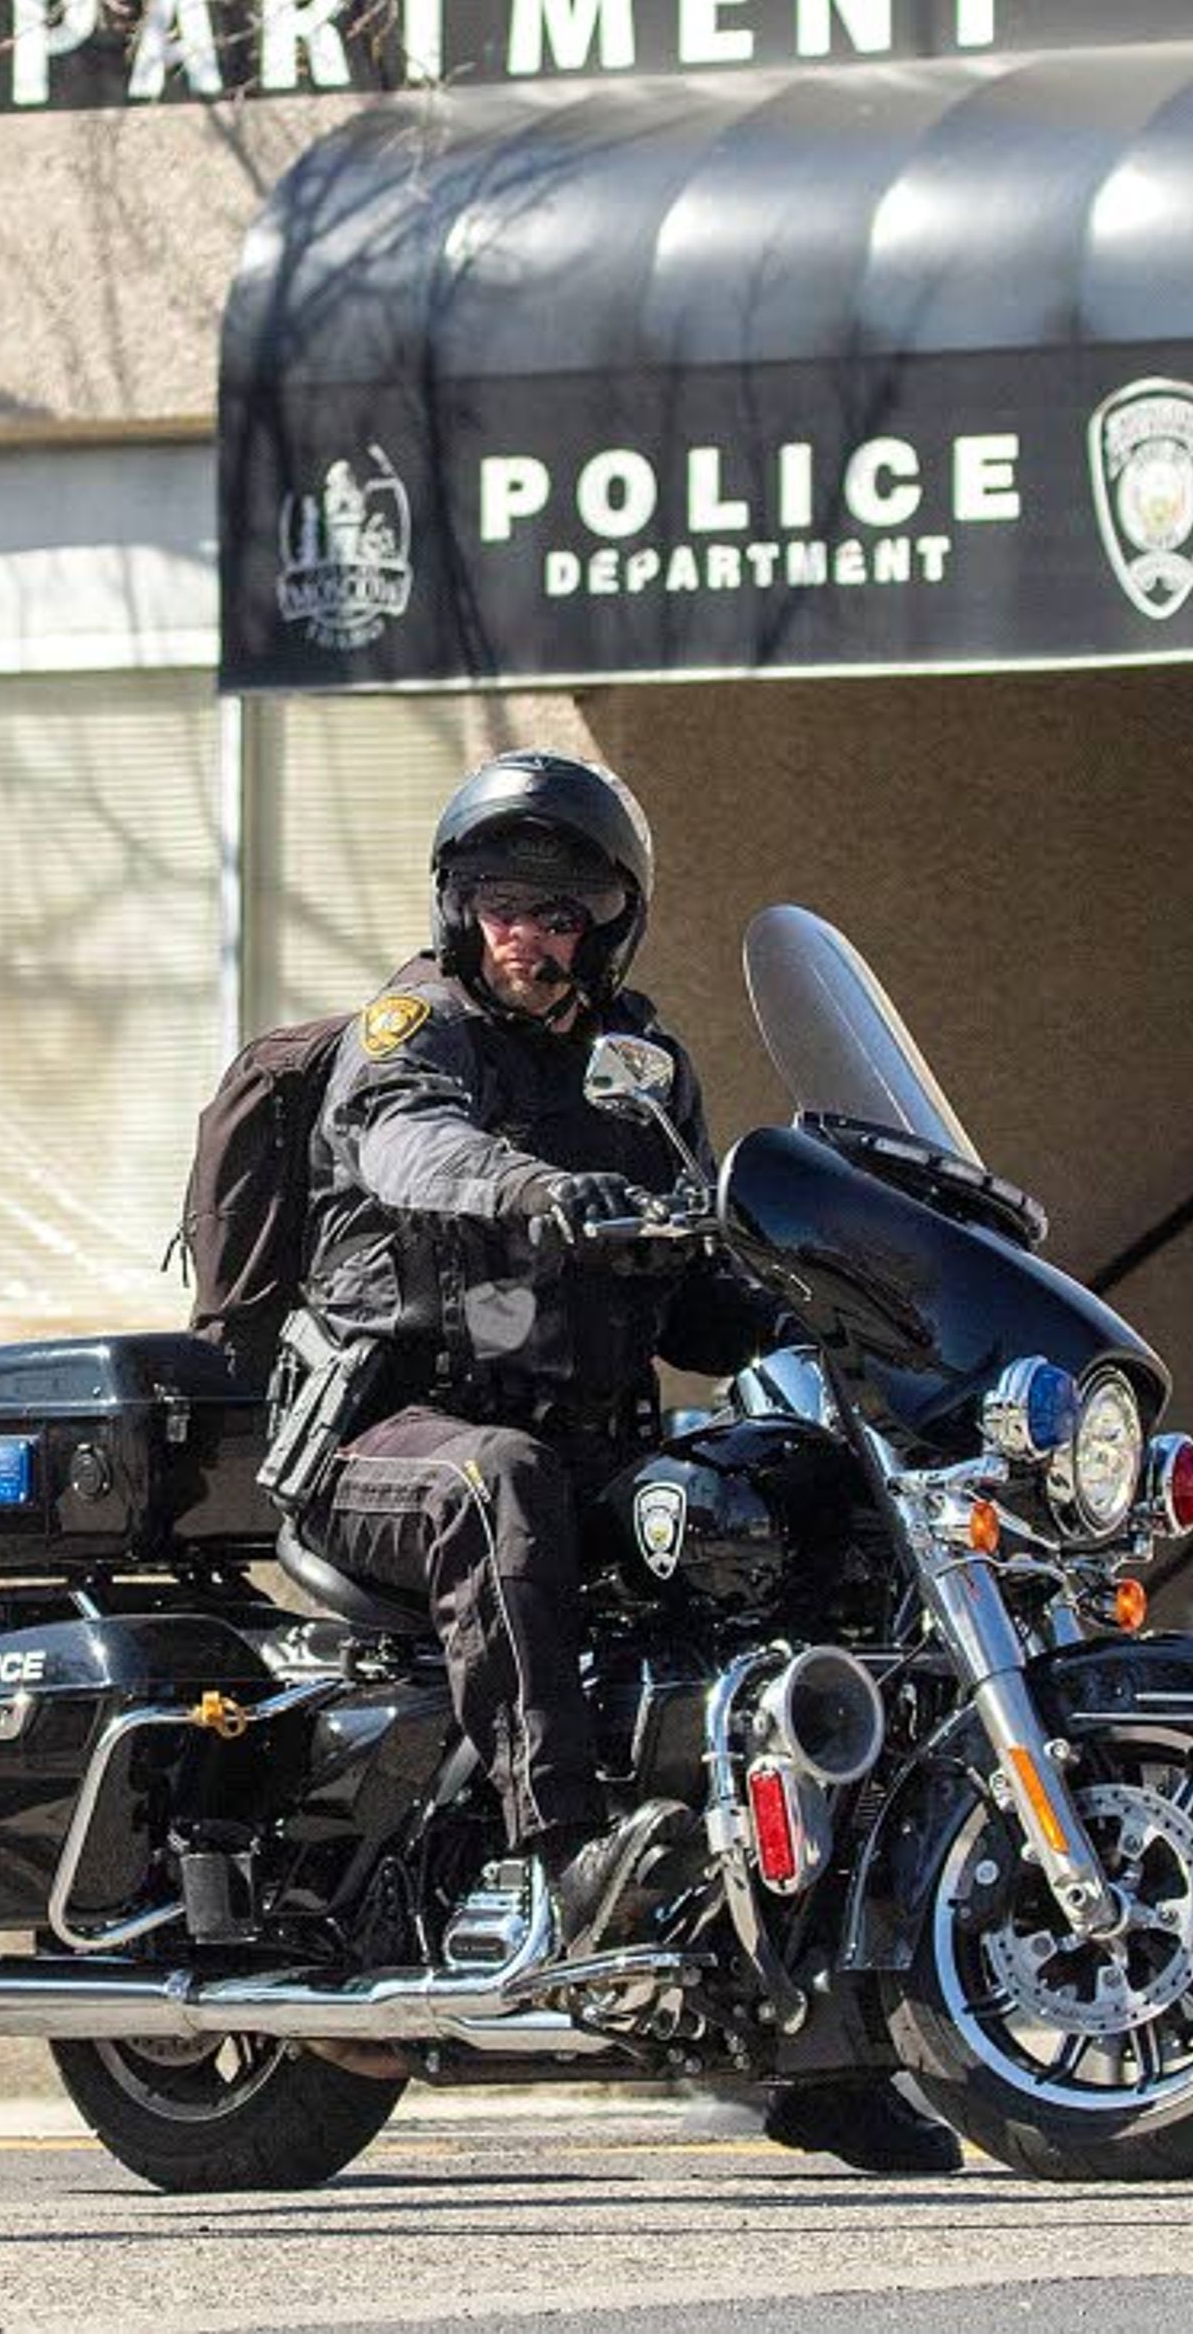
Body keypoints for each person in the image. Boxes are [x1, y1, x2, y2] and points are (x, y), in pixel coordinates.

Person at [279, 750, 781, 1957]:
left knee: (773, 1497)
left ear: (606, 926)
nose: (526, 935)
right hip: (388, 1437)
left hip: (586, 1439)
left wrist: (828, 1294)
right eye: (502, 904)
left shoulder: (642, 1066)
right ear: (461, 907)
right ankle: (564, 1845)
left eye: (559, 913)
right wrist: (535, 1187)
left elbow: (700, 1287)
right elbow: (408, 1149)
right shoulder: (413, 1032)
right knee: (494, 1480)